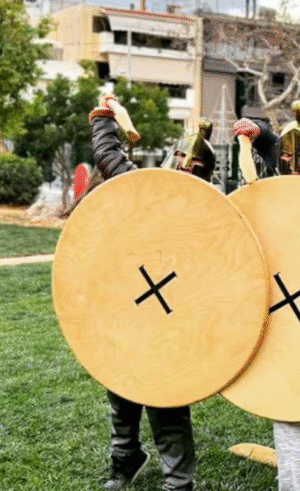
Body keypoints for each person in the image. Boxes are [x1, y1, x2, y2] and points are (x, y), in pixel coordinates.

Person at [88, 95, 216, 491]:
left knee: (166, 402)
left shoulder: (209, 215)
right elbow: (111, 160)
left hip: (173, 323)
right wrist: (105, 119)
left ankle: (179, 482)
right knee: (120, 389)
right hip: (130, 309)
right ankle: (125, 459)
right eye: (181, 159)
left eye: (194, 167)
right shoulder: (145, 189)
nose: (184, 168)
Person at [232, 99, 300, 491]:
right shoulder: (276, 189)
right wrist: (258, 134)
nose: (294, 164)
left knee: (288, 399)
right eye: (287, 157)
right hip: (281, 304)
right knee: (296, 390)